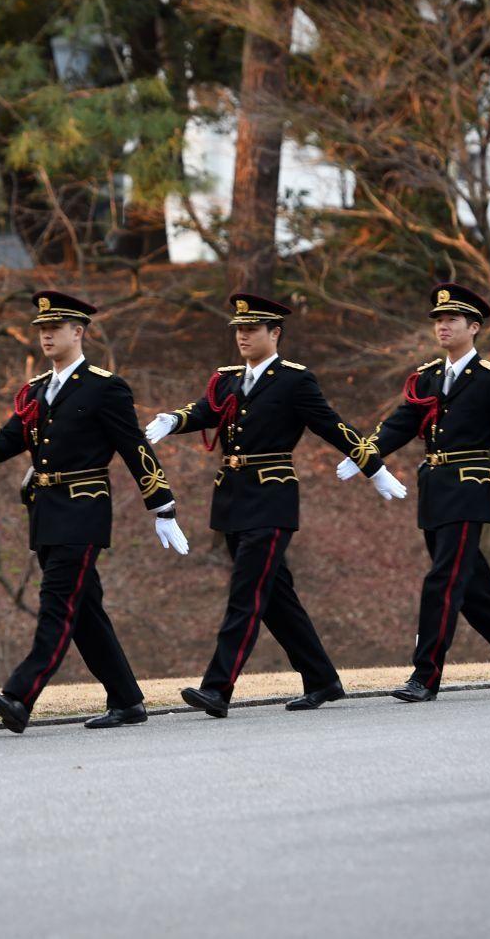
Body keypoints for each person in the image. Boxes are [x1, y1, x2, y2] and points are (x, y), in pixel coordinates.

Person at [141, 293, 407, 719]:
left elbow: (332, 424)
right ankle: (322, 679)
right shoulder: (229, 377)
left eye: (252, 329)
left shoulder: (294, 380)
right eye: (239, 330)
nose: (243, 336)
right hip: (232, 498)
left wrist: (373, 467)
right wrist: (175, 419)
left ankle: (217, 687)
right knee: (276, 598)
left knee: (246, 593)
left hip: (271, 498)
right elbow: (210, 410)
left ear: (274, 333)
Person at [336, 282, 490, 702]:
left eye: (451, 319)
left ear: (474, 327)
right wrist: (366, 455)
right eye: (438, 320)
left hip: (470, 491)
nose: (443, 326)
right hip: (434, 491)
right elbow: (399, 422)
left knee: (442, 582)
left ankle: (425, 675)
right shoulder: (429, 376)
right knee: (470, 589)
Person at [0, 291, 189, 734]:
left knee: (57, 603)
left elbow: (135, 448)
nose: (46, 335)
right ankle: (126, 700)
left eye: (55, 328)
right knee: (84, 611)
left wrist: (163, 507)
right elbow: (12, 436)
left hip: (83, 511)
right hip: (46, 513)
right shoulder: (35, 390)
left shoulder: (105, 387)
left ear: (78, 332)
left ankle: (19, 694)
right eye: (41, 329)